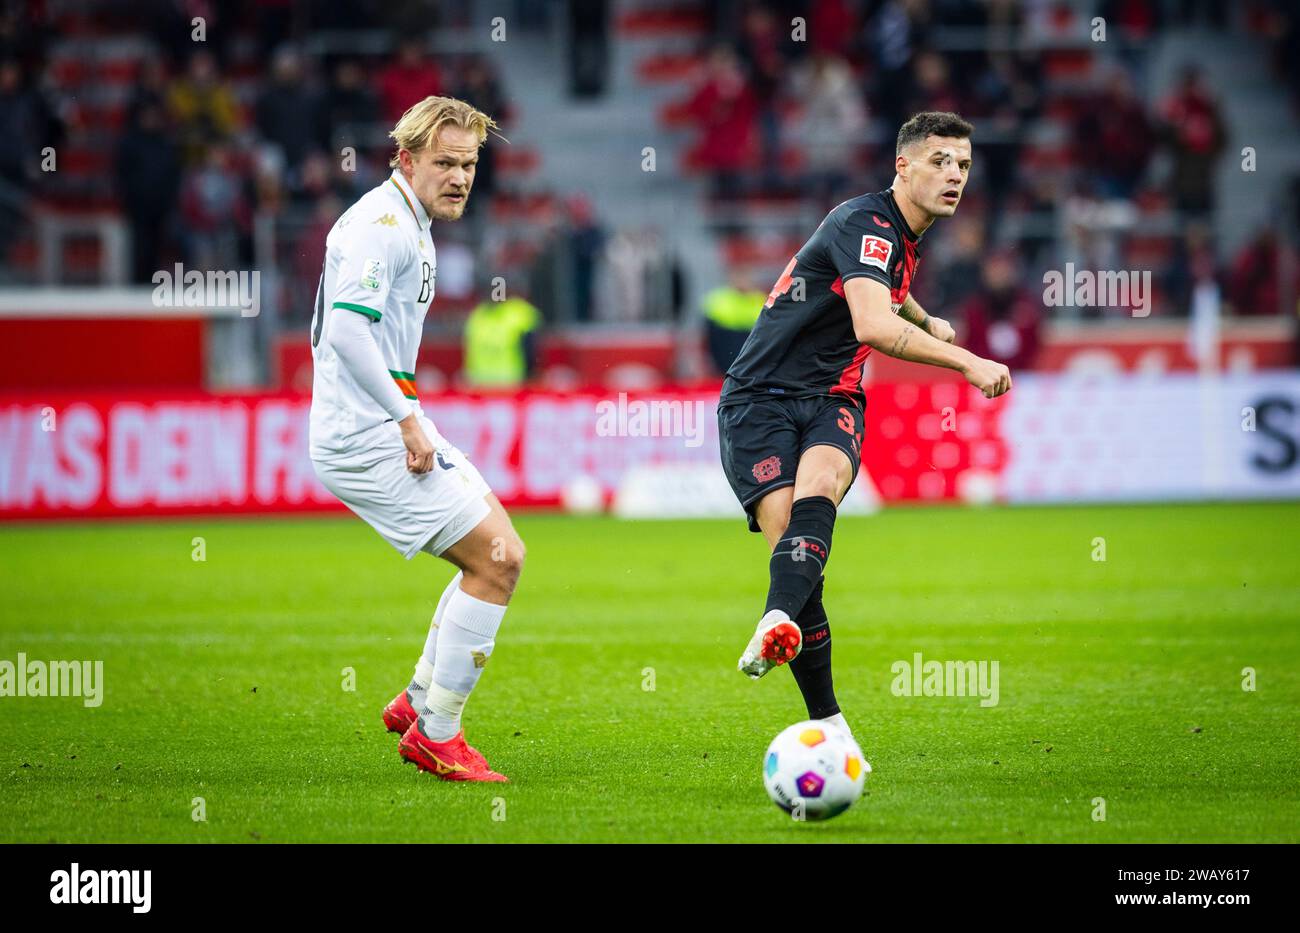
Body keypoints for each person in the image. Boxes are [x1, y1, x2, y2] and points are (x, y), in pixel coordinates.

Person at [716, 111, 1012, 738]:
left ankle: (775, 622)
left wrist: (928, 321)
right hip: (758, 402)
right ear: (902, 166)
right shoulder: (864, 221)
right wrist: (965, 361)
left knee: (817, 494)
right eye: (939, 161)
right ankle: (830, 721)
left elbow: (885, 288)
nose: (954, 174)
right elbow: (874, 325)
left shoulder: (900, 233)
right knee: (800, 564)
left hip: (833, 398)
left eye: (962, 164)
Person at [308, 97, 523, 783]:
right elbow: (346, 331)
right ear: (405, 159)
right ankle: (437, 733)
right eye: (445, 163)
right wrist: (406, 418)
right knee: (499, 558)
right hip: (366, 433)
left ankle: (420, 698)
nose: (460, 177)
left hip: (388, 420)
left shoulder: (412, 220)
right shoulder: (382, 225)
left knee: (494, 551)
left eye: (469, 164)